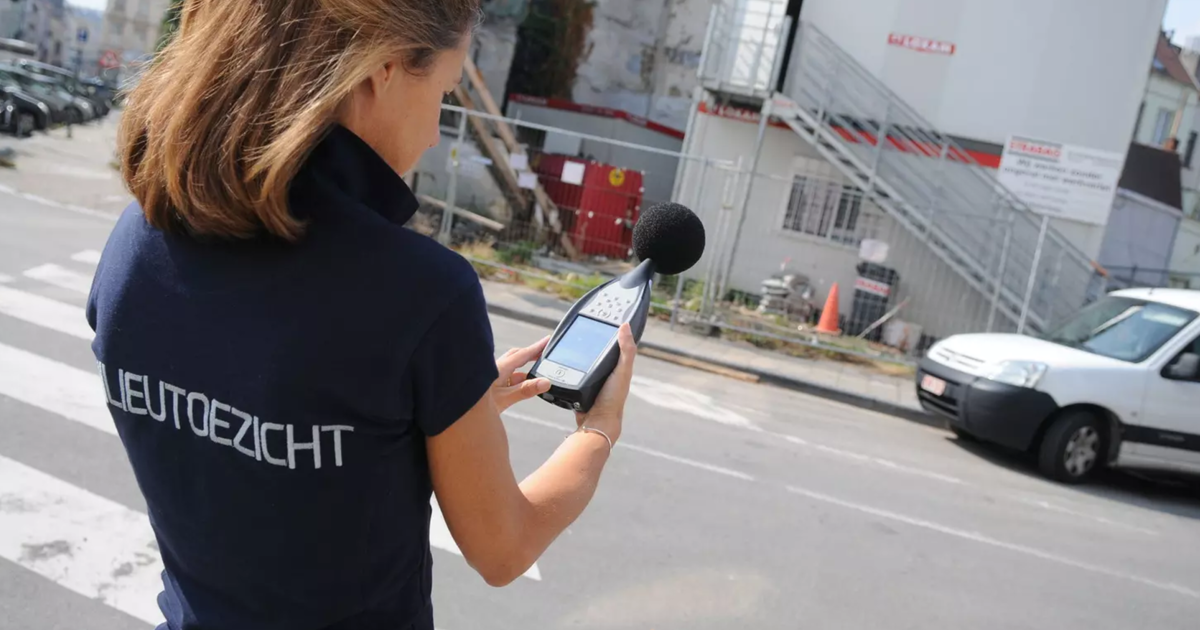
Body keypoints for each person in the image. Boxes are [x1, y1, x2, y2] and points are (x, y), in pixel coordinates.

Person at [85, 1, 636, 629]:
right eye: (444, 93)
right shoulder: (422, 293)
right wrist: (599, 430)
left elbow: (255, 429)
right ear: (385, 68)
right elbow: (503, 548)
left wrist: (441, 406)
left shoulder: (134, 242)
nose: (435, 135)